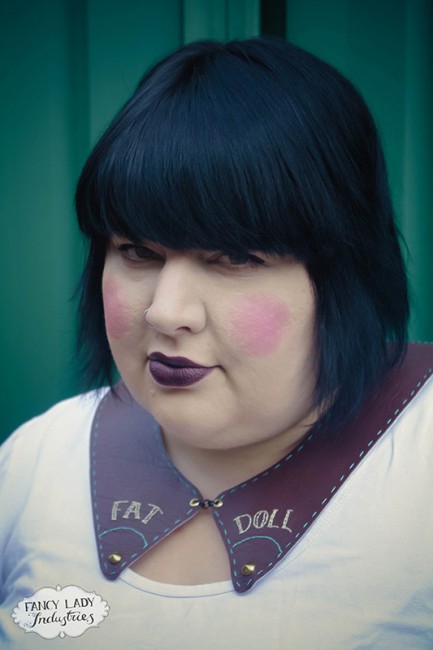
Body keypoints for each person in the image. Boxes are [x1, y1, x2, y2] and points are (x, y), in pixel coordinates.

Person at [0, 37, 432, 649]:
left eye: (233, 256)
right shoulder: (36, 462)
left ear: (344, 273)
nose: (166, 311)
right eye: (138, 251)